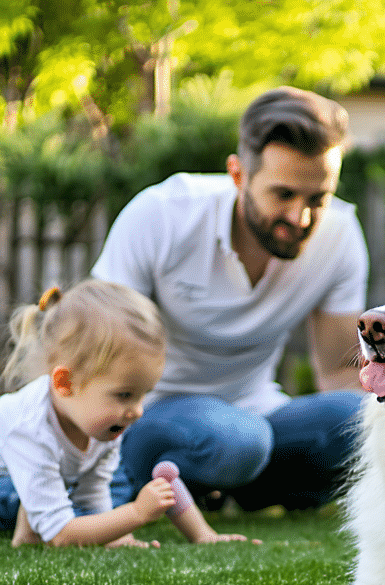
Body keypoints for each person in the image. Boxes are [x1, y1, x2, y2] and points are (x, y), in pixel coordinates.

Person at [91, 86, 368, 513]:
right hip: (153, 414)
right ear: (238, 175)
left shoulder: (341, 237)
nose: (301, 218)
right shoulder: (161, 215)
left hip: (258, 413)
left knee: (362, 421)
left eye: (319, 198)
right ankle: (198, 485)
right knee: (237, 442)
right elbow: (98, 355)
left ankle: (234, 491)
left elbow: (338, 372)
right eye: (284, 195)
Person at [0, 280, 252, 548]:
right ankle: (28, 531)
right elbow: (62, 535)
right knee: (53, 505)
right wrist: (134, 514)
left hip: (41, 487)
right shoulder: (30, 428)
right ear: (65, 383)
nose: (137, 411)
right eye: (124, 395)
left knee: (76, 501)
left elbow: (93, 493)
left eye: (143, 394)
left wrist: (112, 533)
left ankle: (30, 528)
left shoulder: (104, 423)